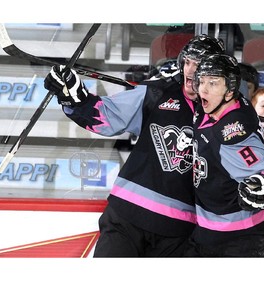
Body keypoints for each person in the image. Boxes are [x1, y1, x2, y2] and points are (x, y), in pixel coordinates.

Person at [43, 34, 225, 257]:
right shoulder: (157, 92)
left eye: (198, 65)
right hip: (127, 218)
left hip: (178, 233)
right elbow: (107, 115)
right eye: (188, 62)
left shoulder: (227, 113)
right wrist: (73, 96)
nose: (190, 70)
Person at [184, 53, 264, 257]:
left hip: (244, 240)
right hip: (211, 234)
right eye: (201, 81)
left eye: (213, 83)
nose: (203, 89)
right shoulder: (225, 105)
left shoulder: (231, 133)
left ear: (230, 90)